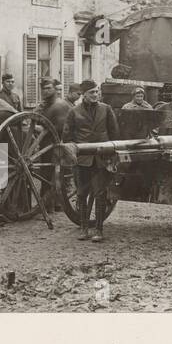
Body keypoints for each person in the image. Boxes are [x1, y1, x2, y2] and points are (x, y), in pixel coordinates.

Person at [63, 79, 119, 243]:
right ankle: (83, 228)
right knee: (81, 194)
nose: (95, 95)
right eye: (91, 93)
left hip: (101, 159)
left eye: (96, 92)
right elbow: (67, 136)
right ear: (83, 95)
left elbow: (114, 133)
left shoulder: (106, 109)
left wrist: (113, 155)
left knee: (100, 194)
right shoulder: (74, 112)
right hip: (82, 160)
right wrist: (73, 155)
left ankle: (99, 230)